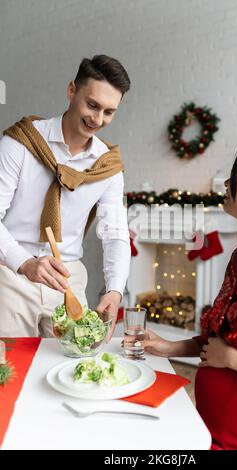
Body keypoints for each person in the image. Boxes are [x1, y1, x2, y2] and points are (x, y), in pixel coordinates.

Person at [140, 137, 237, 450]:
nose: (226, 184)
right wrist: (168, 347)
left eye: (235, 174)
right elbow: (220, 337)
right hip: (207, 428)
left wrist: (233, 360)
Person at [0, 54, 131, 339]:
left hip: (68, 280)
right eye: (92, 105)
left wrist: (115, 289)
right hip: (10, 276)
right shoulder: (19, 143)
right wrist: (25, 263)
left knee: (73, 368)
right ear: (72, 90)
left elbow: (116, 233)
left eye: (109, 112)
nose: (97, 119)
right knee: (11, 372)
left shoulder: (107, 166)